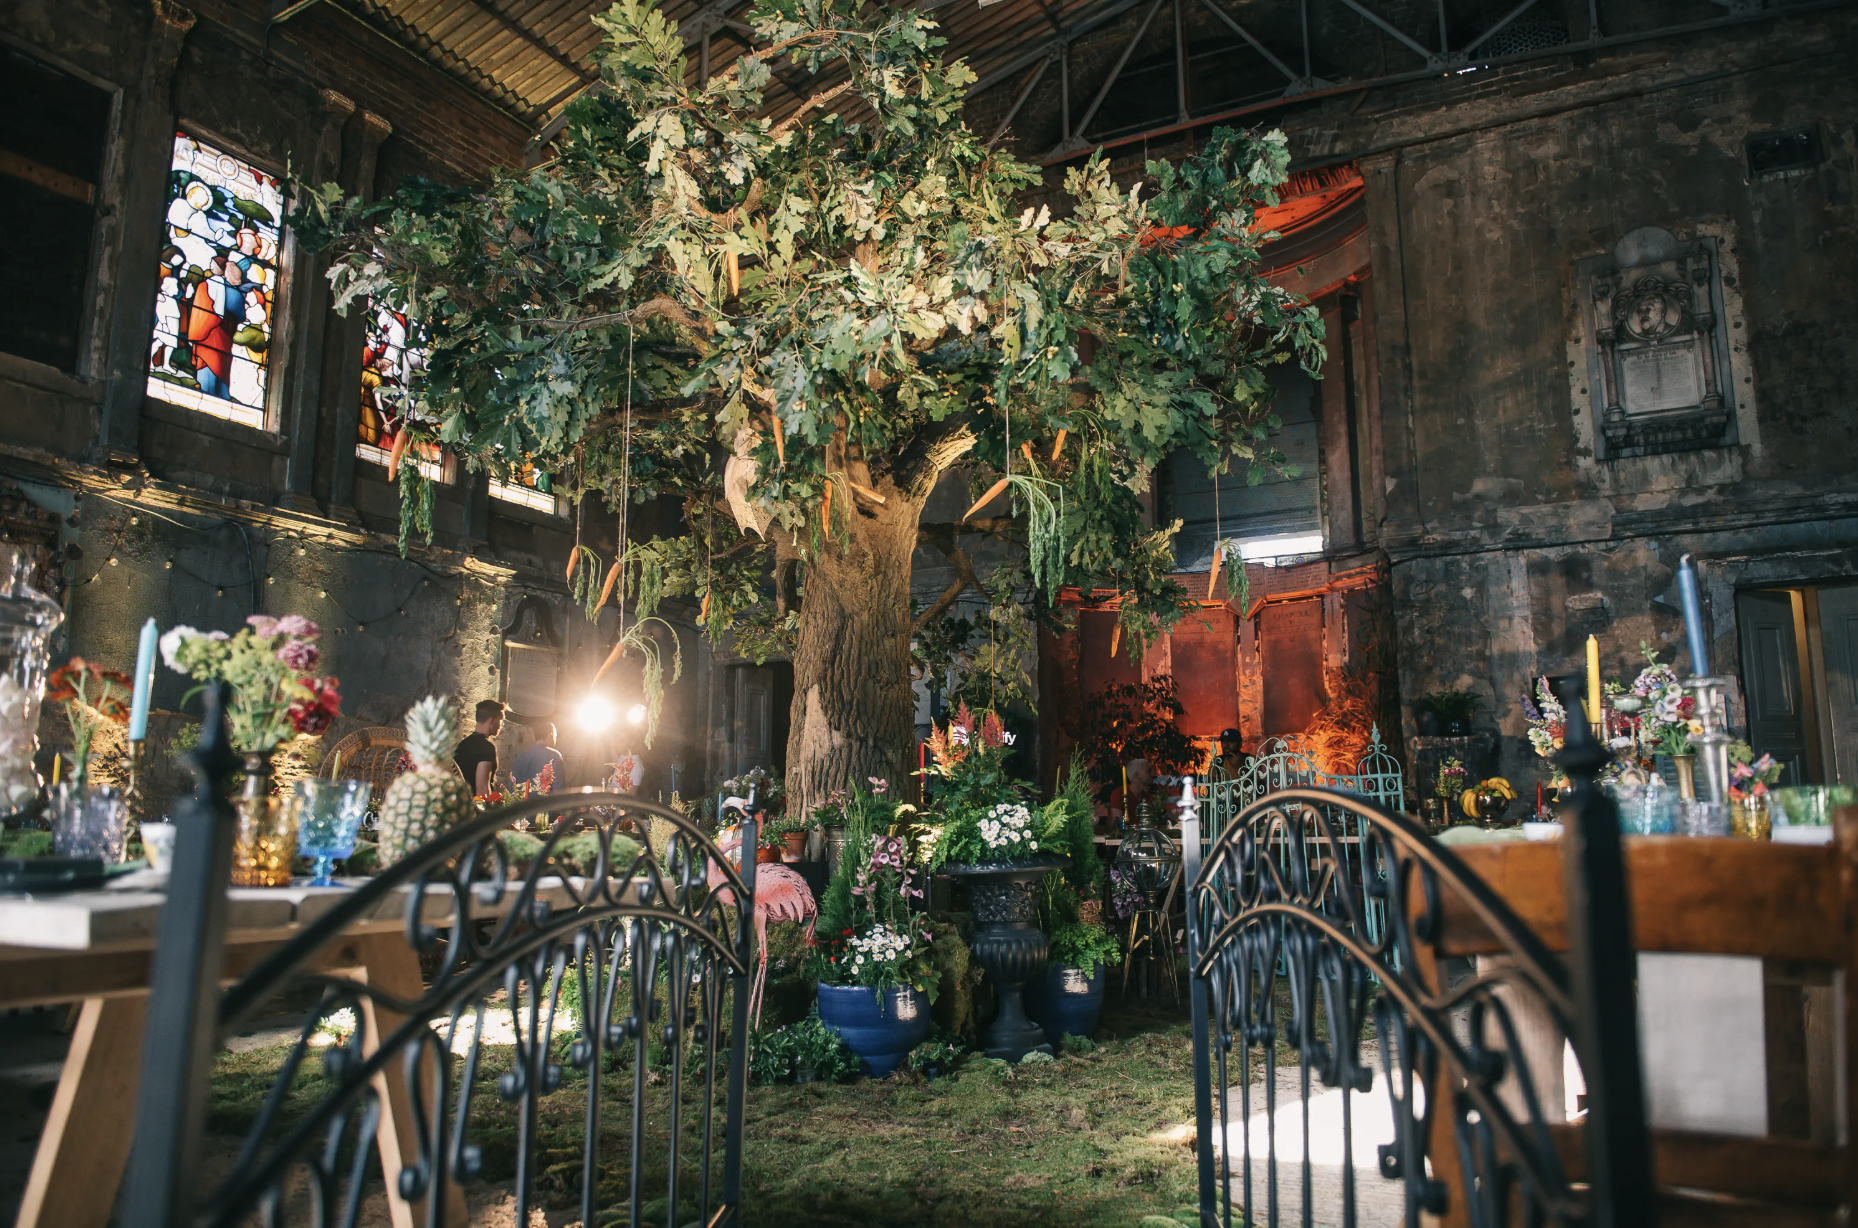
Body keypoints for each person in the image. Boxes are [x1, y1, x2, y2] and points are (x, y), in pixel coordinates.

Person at [455, 700, 504, 797]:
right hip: (476, 808)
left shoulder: (462, 745)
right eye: (500, 721)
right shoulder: (487, 748)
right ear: (492, 720)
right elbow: (482, 788)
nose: (501, 726)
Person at [510, 721, 564, 793]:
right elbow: (559, 790)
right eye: (555, 736)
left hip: (522, 804)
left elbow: (512, 789)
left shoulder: (520, 757)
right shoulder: (554, 756)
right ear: (550, 736)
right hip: (544, 803)